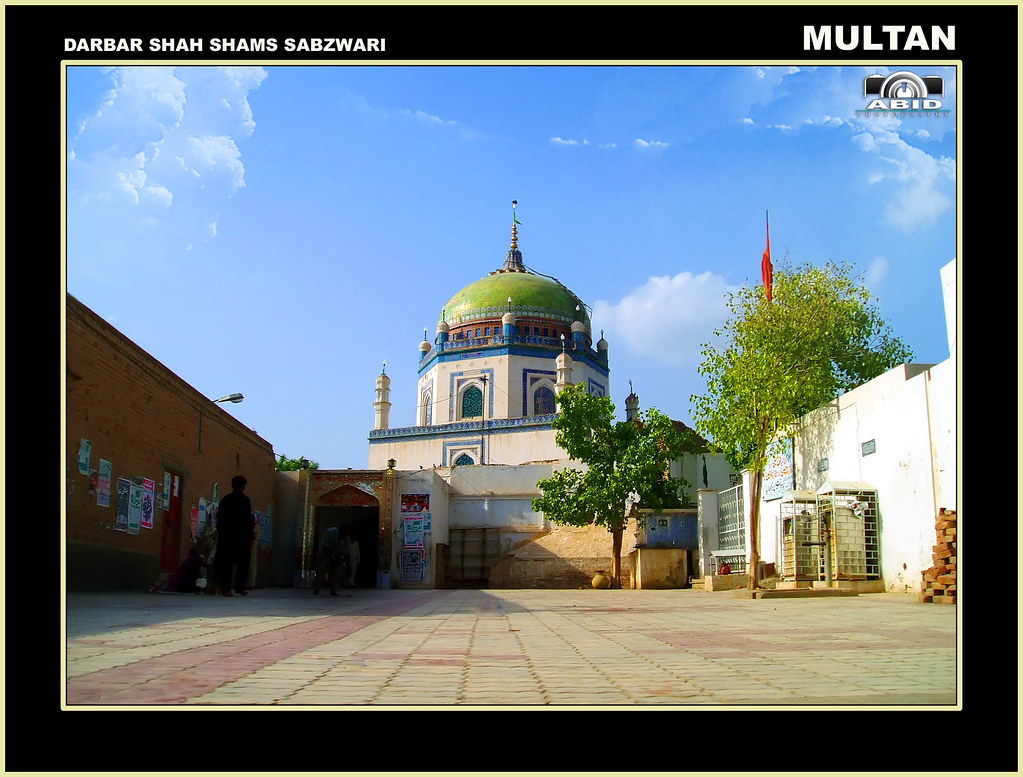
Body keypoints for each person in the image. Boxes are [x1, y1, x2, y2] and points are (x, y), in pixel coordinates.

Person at [215, 475, 254, 597]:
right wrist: (250, 537)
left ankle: (226, 589)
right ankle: (240, 588)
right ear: (243, 486)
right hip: (241, 538)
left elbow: (219, 519)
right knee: (243, 564)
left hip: (226, 537)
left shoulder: (225, 500)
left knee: (225, 564)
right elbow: (247, 520)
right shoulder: (245, 500)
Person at [314, 526, 347, 596]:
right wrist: (331, 557)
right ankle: (317, 588)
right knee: (321, 569)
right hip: (324, 551)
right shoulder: (330, 533)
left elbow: (345, 552)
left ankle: (334, 590)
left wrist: (340, 560)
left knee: (337, 571)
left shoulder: (346, 538)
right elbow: (326, 547)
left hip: (336, 553)